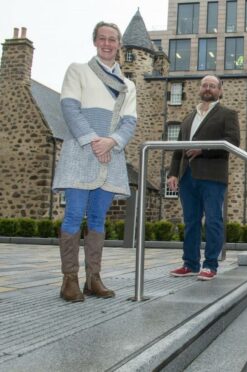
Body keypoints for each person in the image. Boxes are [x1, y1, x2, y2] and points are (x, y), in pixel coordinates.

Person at [53, 21, 137, 302]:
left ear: (119, 45)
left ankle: (94, 278)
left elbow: (129, 121)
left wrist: (110, 142)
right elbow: (70, 108)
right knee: (75, 214)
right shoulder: (78, 71)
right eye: (102, 38)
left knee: (99, 217)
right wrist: (92, 140)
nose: (107, 43)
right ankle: (69, 280)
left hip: (109, 154)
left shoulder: (128, 85)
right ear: (95, 41)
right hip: (81, 151)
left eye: (112, 39)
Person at [168, 75, 240, 281]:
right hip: (187, 176)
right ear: (200, 89)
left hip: (212, 176)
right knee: (190, 221)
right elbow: (178, 148)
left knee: (213, 220)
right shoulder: (188, 117)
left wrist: (203, 149)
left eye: (213, 86)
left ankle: (210, 265)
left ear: (220, 91)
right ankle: (190, 264)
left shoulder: (227, 114)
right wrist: (173, 173)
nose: (208, 88)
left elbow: (232, 141)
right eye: (205, 85)